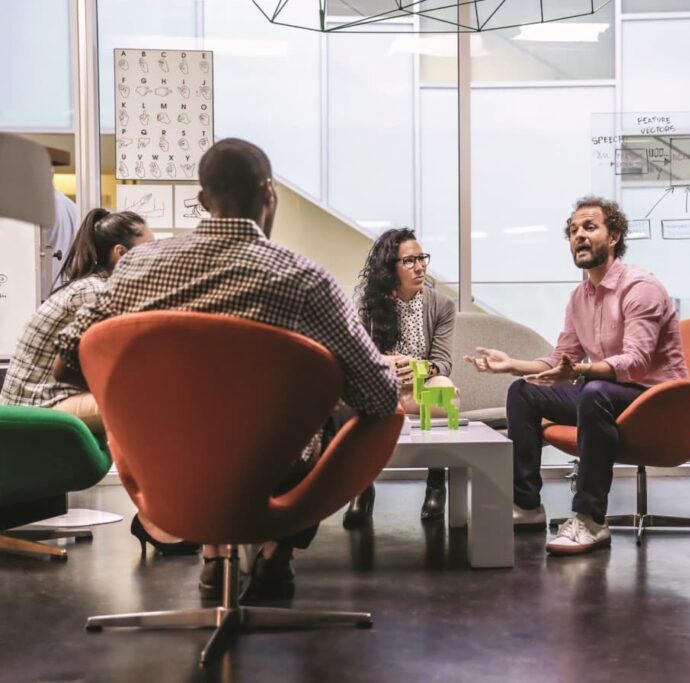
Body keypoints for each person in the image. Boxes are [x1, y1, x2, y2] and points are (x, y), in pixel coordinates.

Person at [53, 138, 400, 600]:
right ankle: (277, 552)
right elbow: (379, 394)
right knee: (342, 409)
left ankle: (216, 556)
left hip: (166, 471)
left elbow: (67, 363)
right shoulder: (303, 279)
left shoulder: (135, 268)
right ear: (270, 195)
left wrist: (141, 396)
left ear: (202, 201)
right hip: (272, 473)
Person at [464, 196, 688, 556]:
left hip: (654, 398)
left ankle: (590, 519)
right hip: (605, 393)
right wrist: (512, 365)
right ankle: (526, 506)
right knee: (523, 392)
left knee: (593, 390)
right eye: (572, 231)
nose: (578, 236)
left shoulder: (640, 288)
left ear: (613, 236)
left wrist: (580, 372)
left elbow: (637, 364)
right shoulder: (579, 298)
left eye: (589, 227)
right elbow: (561, 360)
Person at [342, 228, 458, 527]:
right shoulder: (368, 306)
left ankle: (436, 482)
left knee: (447, 392)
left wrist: (420, 370)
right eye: (409, 261)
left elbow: (443, 363)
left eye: (422, 259)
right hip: (382, 387)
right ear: (390, 268)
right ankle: (362, 488)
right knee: (353, 396)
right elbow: (356, 359)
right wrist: (383, 363)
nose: (420, 267)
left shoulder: (441, 305)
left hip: (420, 389)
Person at [1, 208, 153, 433]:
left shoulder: (91, 285)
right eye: (149, 248)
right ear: (121, 253)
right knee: (141, 404)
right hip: (37, 405)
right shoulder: (94, 292)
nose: (154, 256)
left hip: (35, 400)